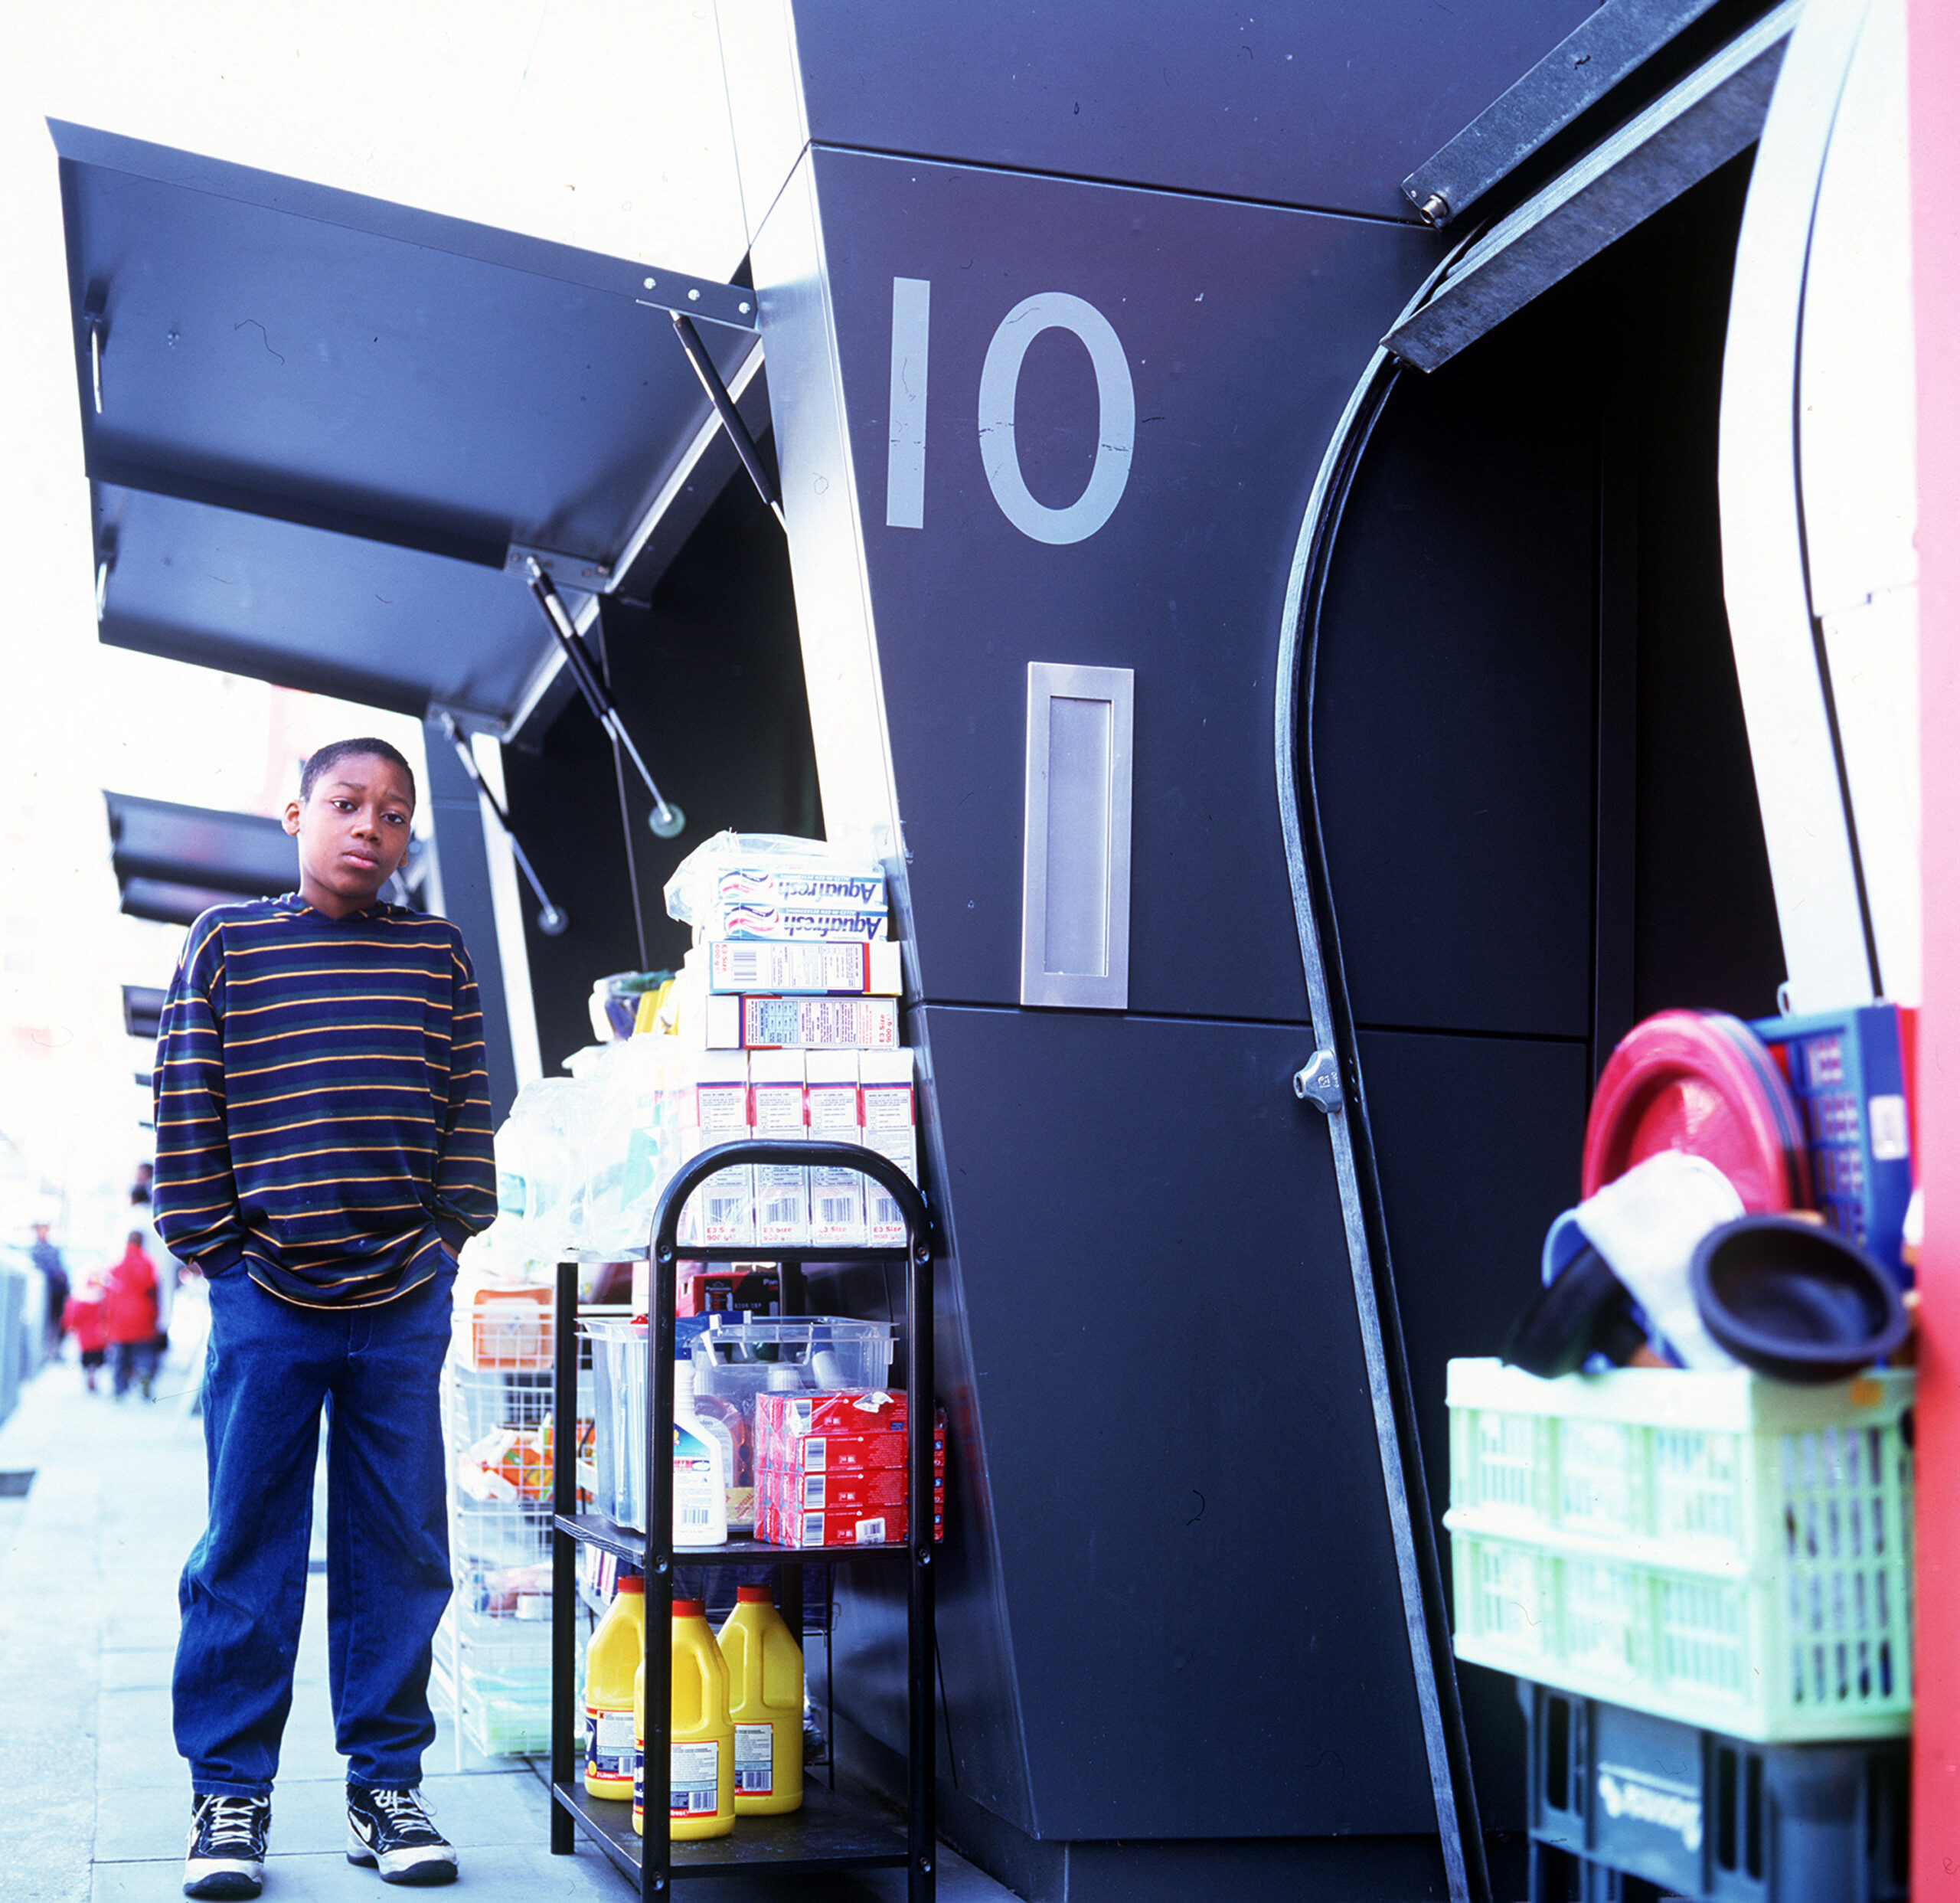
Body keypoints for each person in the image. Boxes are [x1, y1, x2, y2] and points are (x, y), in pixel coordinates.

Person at [154, 738, 495, 1898]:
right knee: (245, 1548)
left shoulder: (437, 955)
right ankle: (229, 1795)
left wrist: (449, 1233)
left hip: (402, 1301)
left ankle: (384, 1790)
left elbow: (467, 1109)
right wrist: (218, 1255)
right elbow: (185, 1102)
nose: (371, 826)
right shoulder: (229, 945)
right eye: (348, 804)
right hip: (268, 1301)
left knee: (400, 1546)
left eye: (394, 813)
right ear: (296, 812)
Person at [103, 1230, 161, 1400]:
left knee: (120, 1357)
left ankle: (119, 1392)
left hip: (120, 1319)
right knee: (144, 1354)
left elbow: (109, 1296)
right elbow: (154, 1291)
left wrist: (107, 1320)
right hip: (142, 1315)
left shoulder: (117, 1266)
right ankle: (144, 1377)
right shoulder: (149, 1264)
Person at [30, 1222, 68, 1364]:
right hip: (46, 1293)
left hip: (58, 1292)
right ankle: (47, 1351)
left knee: (57, 1321)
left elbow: (59, 1267)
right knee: (47, 1321)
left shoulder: (53, 1249)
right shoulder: (36, 1250)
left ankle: (54, 1350)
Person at [64, 1273, 109, 1391]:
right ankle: (94, 1373)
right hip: (100, 1337)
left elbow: (73, 1318)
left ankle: (90, 1373)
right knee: (98, 1360)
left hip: (85, 1338)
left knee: (87, 1359)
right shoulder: (103, 1301)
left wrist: (70, 1327)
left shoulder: (81, 1302)